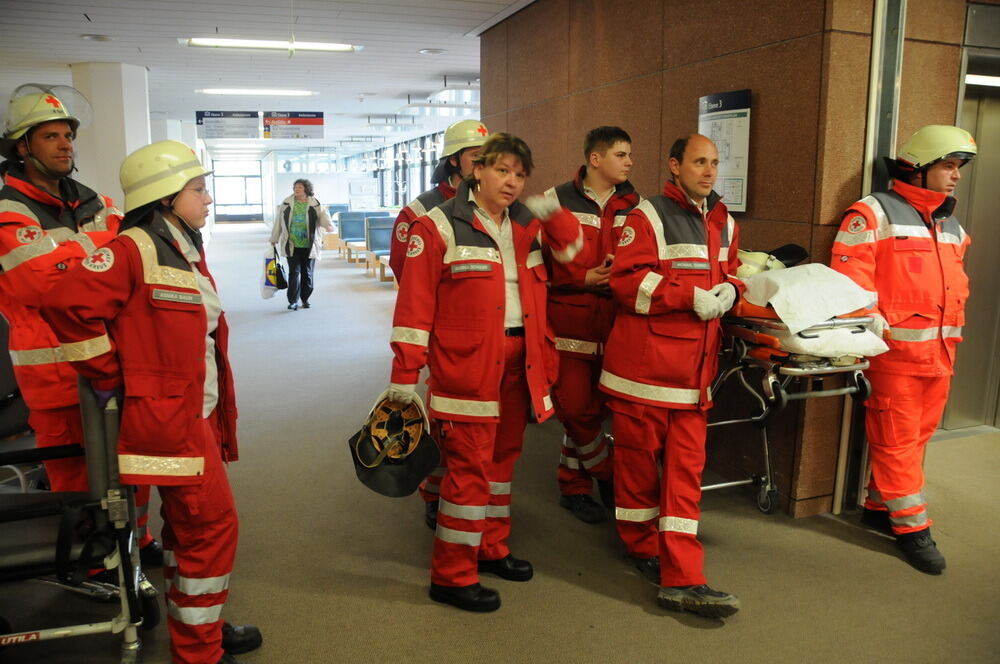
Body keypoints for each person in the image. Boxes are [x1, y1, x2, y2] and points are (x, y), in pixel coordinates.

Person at [41, 140, 262, 664]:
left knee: (191, 526)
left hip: (194, 411)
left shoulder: (181, 246)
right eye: (198, 189)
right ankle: (199, 648)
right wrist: (110, 372)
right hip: (169, 419)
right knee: (211, 525)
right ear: (165, 198)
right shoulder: (133, 247)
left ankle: (199, 625)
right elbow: (64, 302)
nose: (208, 199)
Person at [387, 132, 582, 612]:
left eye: (519, 174)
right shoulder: (437, 228)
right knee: (469, 471)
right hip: (466, 371)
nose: (512, 182)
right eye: (501, 170)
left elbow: (574, 262)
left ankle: (490, 549)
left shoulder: (523, 226)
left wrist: (551, 214)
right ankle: (452, 575)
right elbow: (413, 313)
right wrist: (403, 383)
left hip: (521, 363)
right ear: (476, 170)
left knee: (501, 464)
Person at [0, 84, 162, 564]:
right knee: (76, 471)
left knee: (131, 460)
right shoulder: (8, 213)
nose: (66, 144)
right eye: (50, 136)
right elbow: (49, 287)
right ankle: (95, 558)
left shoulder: (98, 201)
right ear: (23, 147)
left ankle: (138, 540)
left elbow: (132, 260)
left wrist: (83, 261)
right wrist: (101, 262)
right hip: (54, 374)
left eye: (68, 134)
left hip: (112, 357)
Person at [599, 134, 743, 618]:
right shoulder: (647, 216)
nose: (709, 171)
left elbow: (733, 270)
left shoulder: (723, 220)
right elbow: (626, 281)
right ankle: (641, 548)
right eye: (700, 162)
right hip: (644, 374)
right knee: (638, 473)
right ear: (675, 165)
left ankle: (682, 576)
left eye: (716, 163)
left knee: (684, 478)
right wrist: (688, 297)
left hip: (694, 377)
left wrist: (731, 291)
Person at [830, 125, 977, 575]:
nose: (955, 176)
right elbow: (849, 272)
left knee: (915, 441)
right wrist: (867, 314)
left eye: (959, 168)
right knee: (896, 443)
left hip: (941, 354)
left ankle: (878, 505)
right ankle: (914, 528)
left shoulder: (950, 223)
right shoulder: (872, 213)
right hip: (894, 357)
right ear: (919, 167)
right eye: (948, 166)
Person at [389, 119, 489, 530]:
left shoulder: (495, 205)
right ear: (453, 161)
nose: (484, 166)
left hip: (482, 335)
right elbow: (404, 269)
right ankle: (433, 492)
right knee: (442, 419)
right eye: (475, 158)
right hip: (439, 331)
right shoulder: (421, 210)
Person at [542, 126, 640, 524]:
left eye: (630, 154)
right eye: (621, 154)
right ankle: (608, 474)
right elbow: (534, 265)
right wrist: (580, 279)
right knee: (576, 408)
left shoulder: (637, 204)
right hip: (569, 324)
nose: (630, 162)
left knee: (593, 413)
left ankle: (573, 486)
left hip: (615, 325)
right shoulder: (553, 202)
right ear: (595, 159)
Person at [271, 178, 331, 310]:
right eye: (295, 187)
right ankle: (293, 300)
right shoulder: (287, 203)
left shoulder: (315, 203)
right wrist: (274, 237)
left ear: (306, 189)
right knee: (294, 272)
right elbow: (278, 222)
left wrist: (328, 226)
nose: (296, 189)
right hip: (292, 243)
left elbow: (324, 217)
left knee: (307, 273)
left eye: (299, 187)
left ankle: (305, 298)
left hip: (309, 245)